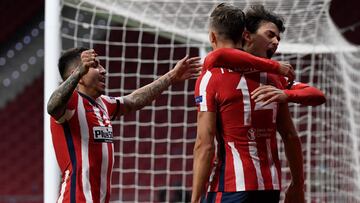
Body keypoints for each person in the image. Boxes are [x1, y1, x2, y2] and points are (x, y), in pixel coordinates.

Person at [192, 3, 324, 203]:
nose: (276, 41)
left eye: (278, 37)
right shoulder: (274, 75)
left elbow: (204, 144)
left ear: (213, 37)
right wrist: (297, 184)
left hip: (230, 186)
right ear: (246, 35)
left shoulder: (213, 76)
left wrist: (194, 199)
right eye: (270, 35)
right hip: (268, 187)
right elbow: (290, 134)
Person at [47, 47, 202, 202]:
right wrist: (78, 72)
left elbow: (134, 100)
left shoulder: (102, 104)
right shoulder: (71, 103)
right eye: (95, 65)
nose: (103, 70)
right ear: (79, 75)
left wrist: (171, 76)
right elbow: (52, 106)